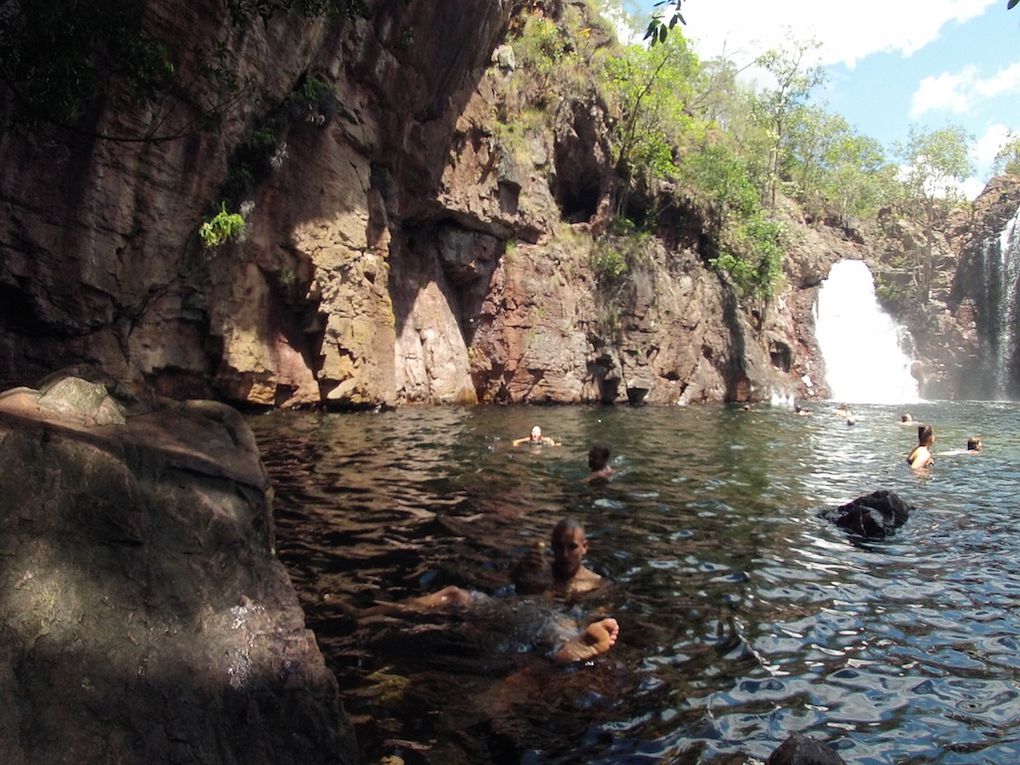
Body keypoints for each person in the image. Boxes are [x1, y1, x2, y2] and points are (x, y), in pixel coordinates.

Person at [410, 518, 615, 663]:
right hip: (516, 612)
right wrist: (519, 574)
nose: (564, 554)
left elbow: (593, 615)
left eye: (571, 547)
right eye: (558, 547)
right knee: (454, 593)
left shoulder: (596, 583)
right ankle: (392, 610)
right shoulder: (541, 570)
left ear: (585, 547)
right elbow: (507, 590)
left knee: (564, 633)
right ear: (551, 546)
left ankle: (579, 646)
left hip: (553, 624)